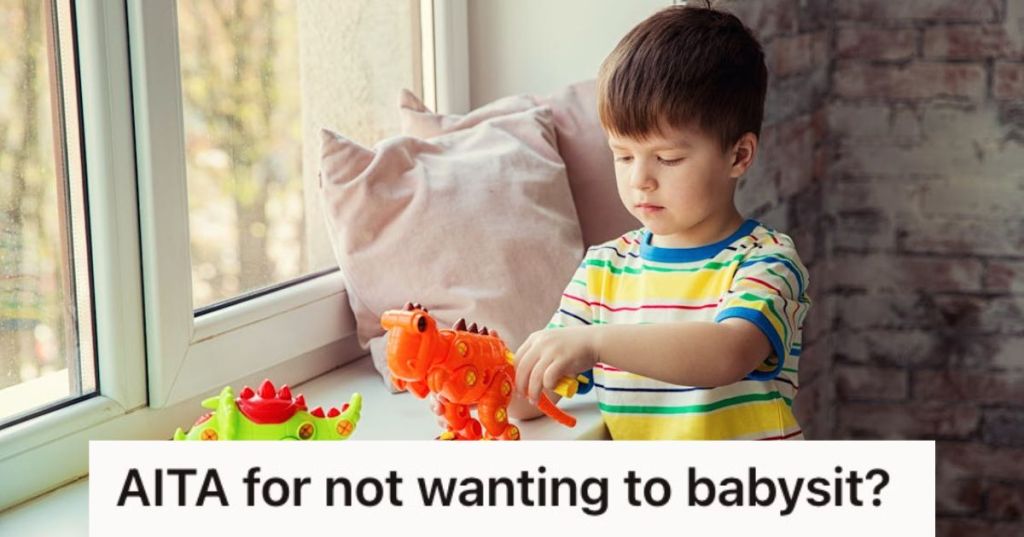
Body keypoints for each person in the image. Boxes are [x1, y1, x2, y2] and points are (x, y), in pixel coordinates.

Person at [509, 3, 812, 440]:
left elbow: (726, 354)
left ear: (739, 155)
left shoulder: (767, 262)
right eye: (623, 155)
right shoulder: (602, 271)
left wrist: (594, 343)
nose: (640, 180)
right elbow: (528, 397)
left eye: (667, 158)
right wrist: (473, 380)